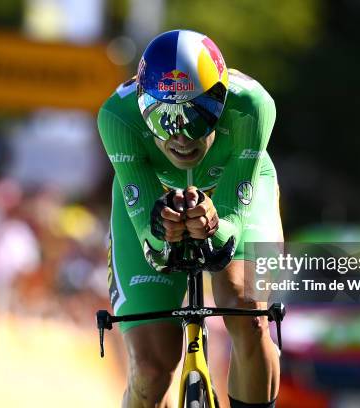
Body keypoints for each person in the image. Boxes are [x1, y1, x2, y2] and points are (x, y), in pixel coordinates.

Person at [98, 29, 283, 408]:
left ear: (221, 100)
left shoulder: (251, 106)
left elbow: (230, 225)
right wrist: (160, 232)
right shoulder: (117, 117)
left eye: (198, 116)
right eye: (163, 117)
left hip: (238, 185)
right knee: (151, 370)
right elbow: (152, 245)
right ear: (140, 103)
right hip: (153, 196)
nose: (181, 136)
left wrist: (215, 226)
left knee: (247, 312)